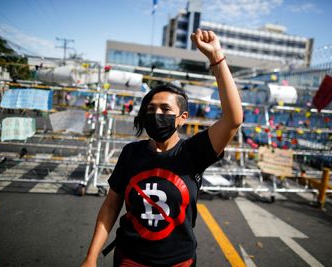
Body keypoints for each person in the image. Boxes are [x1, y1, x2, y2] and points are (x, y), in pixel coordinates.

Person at [81, 29, 243, 267]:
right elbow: (111, 205)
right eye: (150, 109)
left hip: (178, 261)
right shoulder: (131, 153)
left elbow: (233, 118)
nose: (156, 114)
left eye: (166, 110)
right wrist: (91, 257)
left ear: (182, 117)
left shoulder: (194, 152)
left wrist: (216, 57)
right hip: (129, 259)